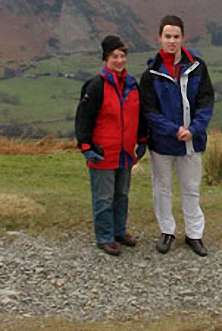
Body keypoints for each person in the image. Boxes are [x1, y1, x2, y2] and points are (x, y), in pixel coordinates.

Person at [140, 15, 214, 257]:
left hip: (192, 142)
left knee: (191, 189)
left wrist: (193, 129)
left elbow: (206, 102)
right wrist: (174, 130)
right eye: (167, 37)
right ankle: (167, 232)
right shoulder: (151, 73)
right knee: (161, 188)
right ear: (159, 38)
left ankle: (195, 235)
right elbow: (150, 112)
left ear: (183, 38)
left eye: (176, 37)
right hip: (162, 143)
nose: (171, 41)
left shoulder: (198, 67)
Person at [75, 35, 148, 256]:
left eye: (122, 56)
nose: (119, 60)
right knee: (104, 197)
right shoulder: (96, 86)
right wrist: (85, 146)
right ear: (106, 59)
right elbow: (84, 118)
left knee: (122, 195)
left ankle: (119, 231)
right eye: (114, 56)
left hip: (125, 152)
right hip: (103, 152)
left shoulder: (132, 85)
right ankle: (105, 237)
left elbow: (140, 115)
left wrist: (142, 139)